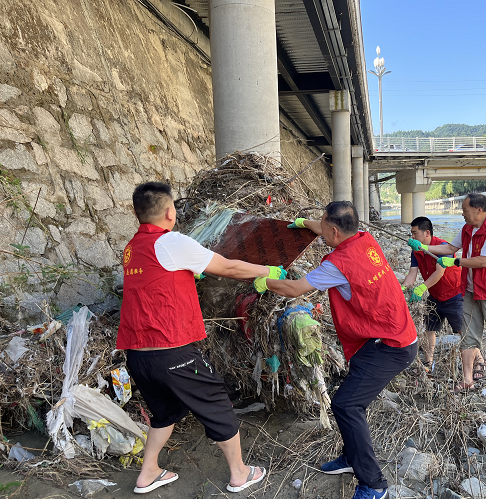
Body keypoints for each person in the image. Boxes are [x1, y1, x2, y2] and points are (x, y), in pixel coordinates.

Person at [117, 182, 284, 494]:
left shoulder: (132, 248)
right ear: (170, 212)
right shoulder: (172, 242)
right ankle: (240, 473)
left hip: (138, 355)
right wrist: (268, 270)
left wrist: (186, 272)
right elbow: (229, 267)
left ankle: (148, 473)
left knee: (165, 412)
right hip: (172, 351)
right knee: (217, 403)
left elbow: (155, 282)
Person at [258, 201, 418, 499]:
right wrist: (304, 223)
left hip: (391, 346)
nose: (322, 229)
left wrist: (260, 280)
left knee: (346, 405)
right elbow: (326, 228)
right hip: (381, 336)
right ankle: (351, 457)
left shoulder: (337, 265)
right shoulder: (364, 240)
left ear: (334, 230)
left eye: (323, 226)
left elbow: (293, 289)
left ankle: (374, 484)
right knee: (352, 396)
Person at [408, 193, 486, 401]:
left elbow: (483, 262)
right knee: (467, 336)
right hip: (471, 291)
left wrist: (455, 263)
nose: (462, 213)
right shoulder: (467, 229)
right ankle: (467, 380)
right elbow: (450, 248)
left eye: (464, 210)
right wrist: (425, 248)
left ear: (479, 210)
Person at [401, 216, 463, 373]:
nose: (412, 237)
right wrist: (403, 289)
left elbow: (439, 272)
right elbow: (412, 274)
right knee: (430, 328)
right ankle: (429, 363)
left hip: (454, 295)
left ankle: (478, 361)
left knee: (463, 330)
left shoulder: (443, 247)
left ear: (427, 233)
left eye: (415, 233)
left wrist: (421, 288)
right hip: (435, 295)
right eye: (411, 233)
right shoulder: (416, 251)